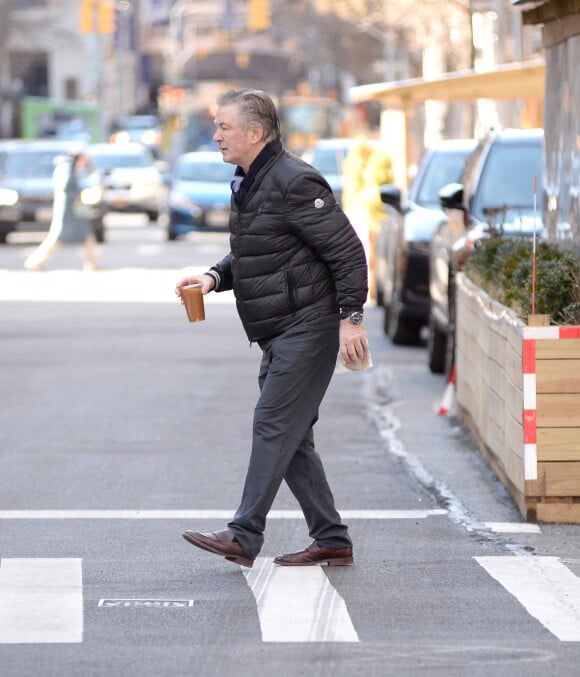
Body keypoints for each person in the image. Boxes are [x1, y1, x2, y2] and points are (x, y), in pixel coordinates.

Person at [175, 88, 369, 568]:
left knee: (273, 423)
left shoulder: (295, 181)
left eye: (225, 127)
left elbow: (347, 252)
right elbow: (258, 249)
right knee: (292, 436)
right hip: (282, 328)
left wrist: (350, 319)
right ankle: (331, 537)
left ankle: (244, 535)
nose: (216, 135)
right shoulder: (251, 179)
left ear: (256, 132)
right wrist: (215, 276)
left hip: (310, 325)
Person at [24, 152, 98, 271]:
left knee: (86, 236)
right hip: (68, 211)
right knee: (57, 237)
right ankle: (34, 262)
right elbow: (66, 186)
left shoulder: (67, 167)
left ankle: (92, 263)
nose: (83, 164)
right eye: (82, 161)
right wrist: (76, 197)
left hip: (72, 210)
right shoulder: (67, 168)